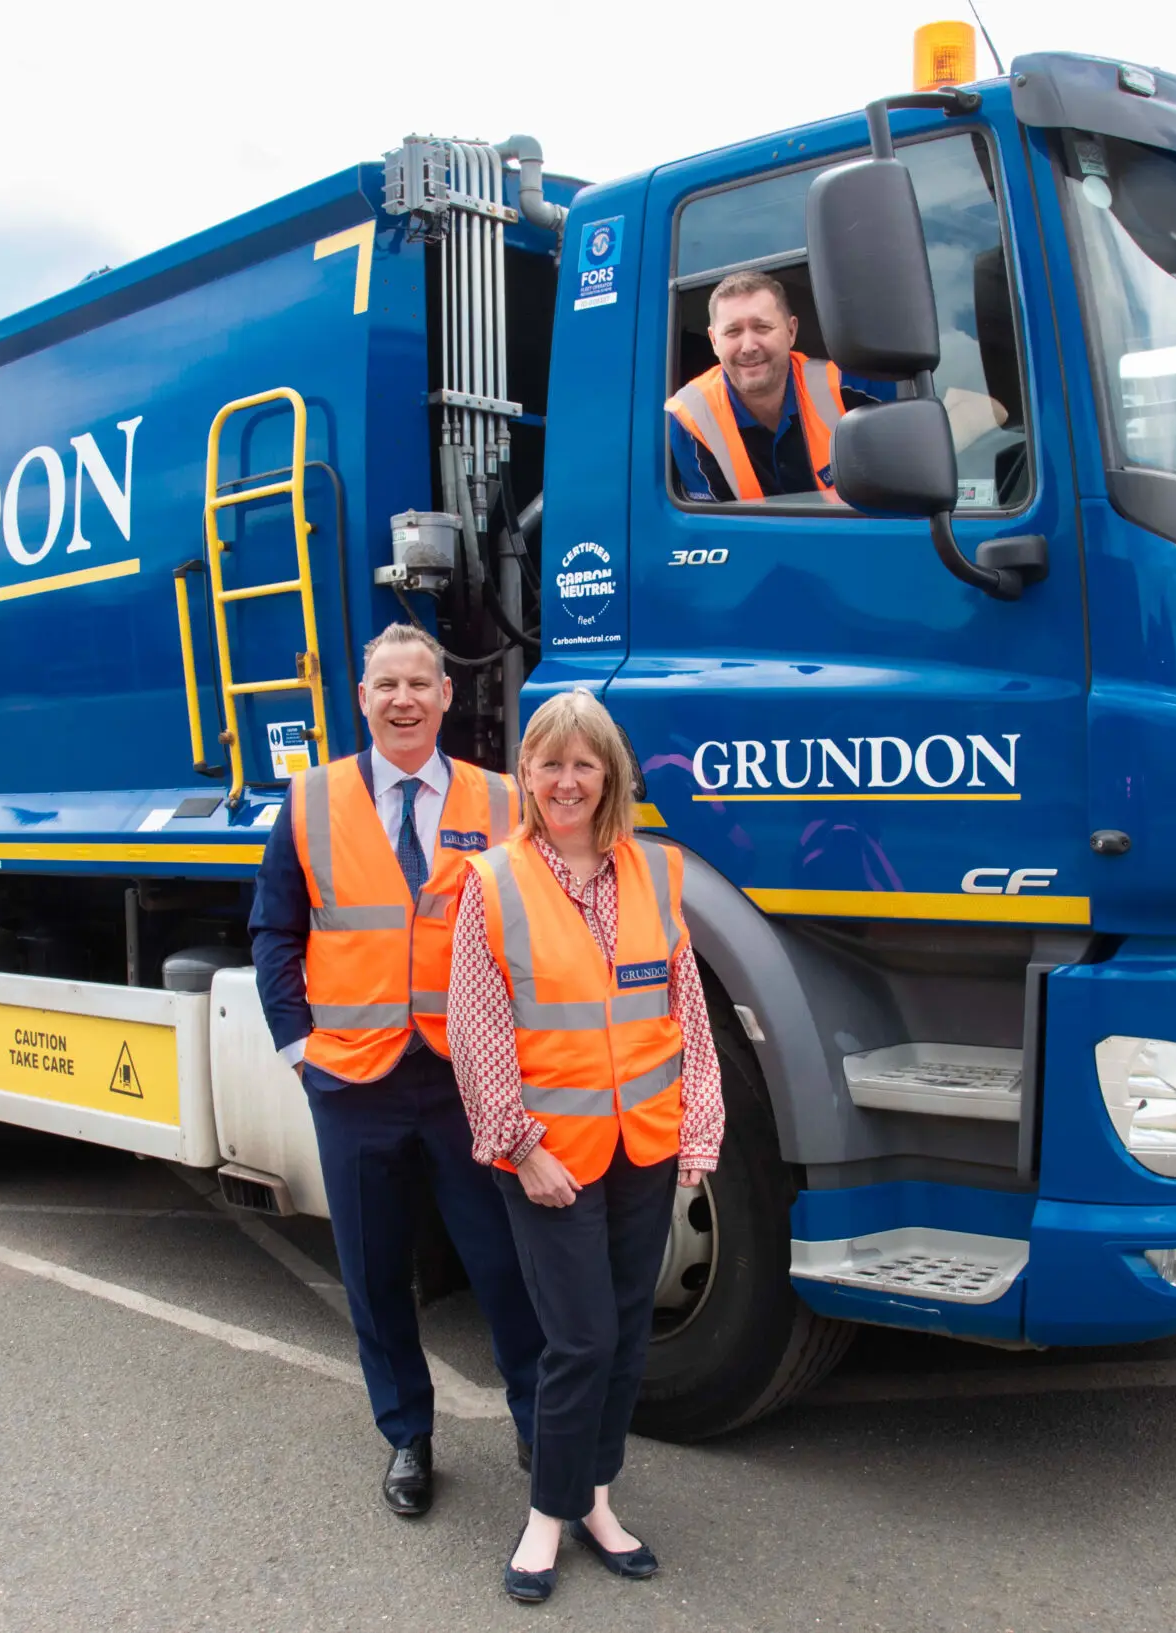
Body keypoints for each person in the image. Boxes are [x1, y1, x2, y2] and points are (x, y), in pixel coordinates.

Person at [248, 623, 546, 1518]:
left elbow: (539, 931)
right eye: (387, 685)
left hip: (470, 1082)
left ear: (448, 697)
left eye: (421, 683)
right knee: (375, 1273)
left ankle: (540, 1422)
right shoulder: (308, 801)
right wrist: (299, 1048)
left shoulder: (501, 802)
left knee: (503, 1263)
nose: (404, 699)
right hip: (353, 1082)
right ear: (363, 698)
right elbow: (274, 931)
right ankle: (407, 1437)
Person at [446, 688, 724, 1604]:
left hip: (642, 1143)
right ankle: (545, 1514)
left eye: (584, 763)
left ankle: (597, 1499)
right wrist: (521, 1149)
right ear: (524, 775)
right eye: (549, 763)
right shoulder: (492, 882)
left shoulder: (657, 871)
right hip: (549, 1157)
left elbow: (686, 1007)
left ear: (610, 775)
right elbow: (478, 1032)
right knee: (579, 1339)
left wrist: (701, 1122)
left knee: (627, 1336)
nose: (566, 780)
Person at [667, 270, 879, 502]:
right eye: (733, 331)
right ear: (714, 341)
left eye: (762, 328)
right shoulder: (690, 417)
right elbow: (715, 530)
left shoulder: (851, 387)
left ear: (791, 331)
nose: (748, 346)